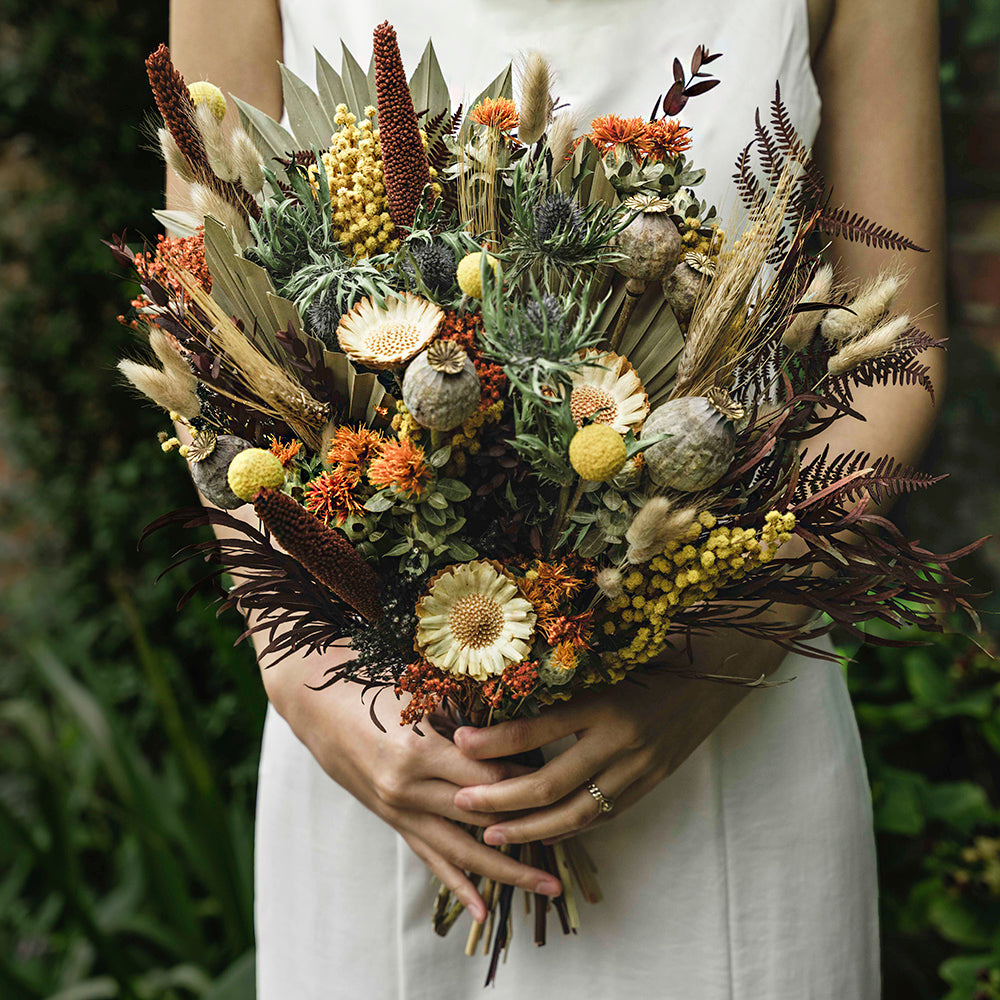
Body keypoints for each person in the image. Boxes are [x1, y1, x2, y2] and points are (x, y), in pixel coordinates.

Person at [169, 1, 944, 996]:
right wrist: (300, 671)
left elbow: (896, 347)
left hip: (724, 739)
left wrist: (718, 652)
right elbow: (204, 337)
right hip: (385, 757)